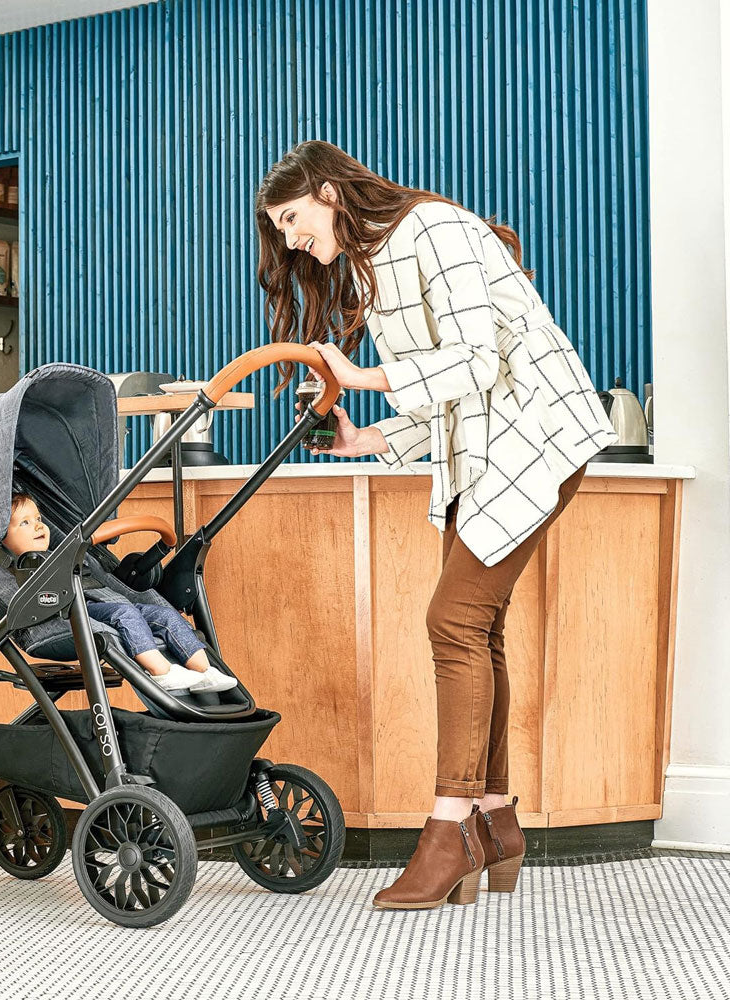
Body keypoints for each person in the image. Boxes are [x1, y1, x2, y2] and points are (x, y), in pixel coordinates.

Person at [256, 140, 617, 910]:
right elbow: (441, 395)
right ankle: (495, 820)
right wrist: (369, 437)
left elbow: (478, 361)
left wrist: (362, 375)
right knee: (478, 630)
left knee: (452, 621)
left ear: (328, 192)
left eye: (291, 219)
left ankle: (448, 828)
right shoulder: (375, 267)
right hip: (480, 449)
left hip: (532, 437)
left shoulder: (434, 228)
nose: (289, 241)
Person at [2, 493, 237, 694]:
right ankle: (161, 672)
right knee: (124, 613)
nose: (38, 526)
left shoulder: (58, 551)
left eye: (38, 519)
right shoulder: (23, 568)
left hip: (101, 601)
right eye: (25, 523)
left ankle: (205, 671)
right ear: (3, 537)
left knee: (164, 614)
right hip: (70, 613)